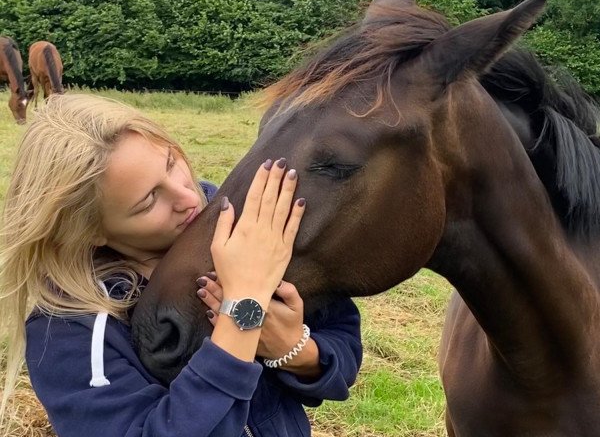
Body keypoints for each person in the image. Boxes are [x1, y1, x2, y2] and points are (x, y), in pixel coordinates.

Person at [0, 93, 362, 437]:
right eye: (147, 203)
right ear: (92, 231)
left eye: (171, 163)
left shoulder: (242, 232)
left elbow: (342, 344)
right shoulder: (66, 331)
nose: (189, 197)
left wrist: (296, 350)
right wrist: (243, 313)